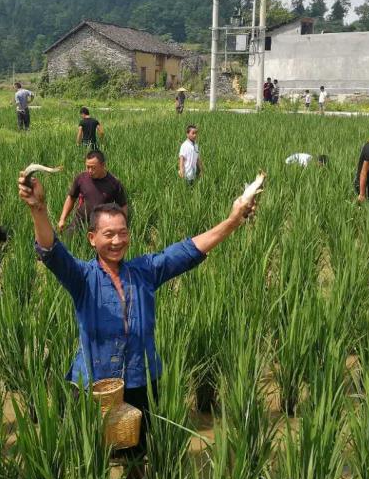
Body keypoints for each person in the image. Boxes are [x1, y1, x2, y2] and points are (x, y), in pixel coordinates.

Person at [17, 168, 258, 461]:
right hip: (94, 385)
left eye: (122, 233)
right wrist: (38, 210)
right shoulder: (82, 278)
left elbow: (186, 251)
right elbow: (52, 251)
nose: (117, 241)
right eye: (109, 234)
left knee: (138, 455)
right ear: (92, 238)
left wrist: (232, 222)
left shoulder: (144, 271)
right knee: (92, 459)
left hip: (140, 381)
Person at [58, 150, 127, 233]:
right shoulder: (81, 178)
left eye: (93, 168)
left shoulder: (114, 183)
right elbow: (71, 198)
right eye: (88, 167)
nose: (90, 171)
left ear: (103, 165)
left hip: (102, 225)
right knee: (65, 238)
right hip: (80, 222)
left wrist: (123, 225)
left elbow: (123, 205)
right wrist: (62, 219)